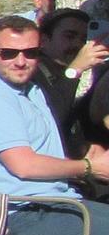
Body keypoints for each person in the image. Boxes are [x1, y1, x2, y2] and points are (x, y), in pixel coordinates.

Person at [0, 15, 109, 235]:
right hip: (22, 213)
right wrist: (89, 167)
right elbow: (25, 166)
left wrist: (85, 150)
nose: (20, 61)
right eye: (8, 53)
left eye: (29, 53)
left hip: (56, 203)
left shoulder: (30, 90)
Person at [35, 8, 109, 157]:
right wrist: (75, 69)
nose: (77, 45)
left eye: (84, 39)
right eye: (69, 36)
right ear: (43, 40)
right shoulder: (33, 73)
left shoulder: (61, 73)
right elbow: (50, 118)